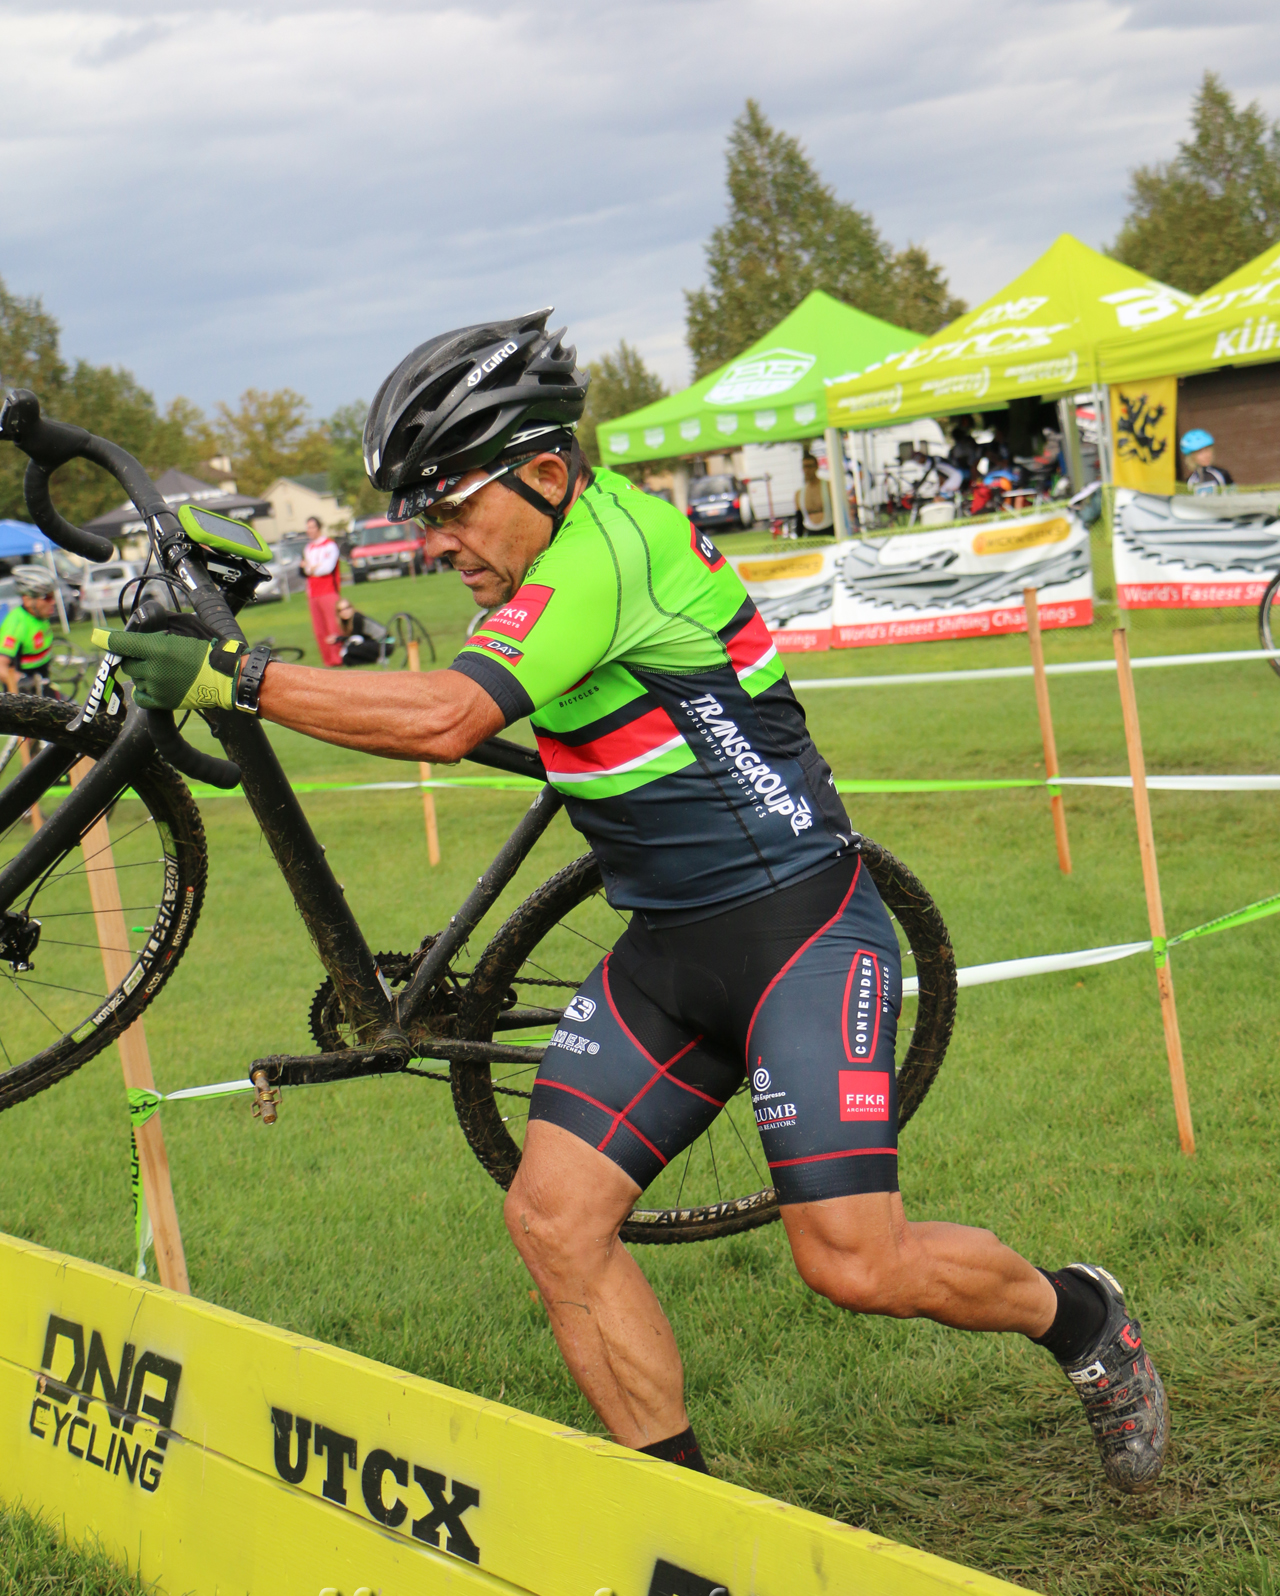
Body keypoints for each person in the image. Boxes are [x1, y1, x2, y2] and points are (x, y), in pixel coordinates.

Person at [97, 308, 1168, 1494]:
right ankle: (690, 1521)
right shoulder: (557, 563)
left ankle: (1076, 1318)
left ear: (546, 472)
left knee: (853, 1264)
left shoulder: (604, 554)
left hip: (799, 939)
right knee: (553, 1224)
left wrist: (231, 673)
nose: (440, 541)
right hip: (665, 955)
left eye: (453, 507)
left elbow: (445, 719)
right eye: (423, 517)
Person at [0, 564, 58, 693]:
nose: (53, 602)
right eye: (47, 598)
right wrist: (22, 681)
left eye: (53, 596)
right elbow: (1, 666)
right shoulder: (16, 624)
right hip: (24, 697)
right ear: (27, 600)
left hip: (43, 687)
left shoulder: (40, 617)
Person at [301, 516, 343, 666]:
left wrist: (312, 568)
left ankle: (339, 657)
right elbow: (306, 569)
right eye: (308, 527)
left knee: (333, 625)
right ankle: (328, 660)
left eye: (312, 527)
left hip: (328, 590)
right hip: (313, 592)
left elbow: (327, 568)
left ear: (318, 528)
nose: (309, 530)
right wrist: (312, 568)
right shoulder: (308, 548)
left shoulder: (329, 545)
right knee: (319, 629)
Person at [335, 596, 390, 667]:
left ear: (352, 607)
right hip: (371, 644)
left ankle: (380, 658)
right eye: (341, 610)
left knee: (352, 648)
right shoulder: (346, 622)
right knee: (347, 658)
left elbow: (356, 638)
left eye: (347, 608)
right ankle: (375, 660)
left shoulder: (357, 617)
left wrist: (338, 639)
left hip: (385, 643)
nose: (345, 611)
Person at [1180, 428, 1233, 495]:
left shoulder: (1221, 474)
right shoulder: (1190, 481)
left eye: (1207, 450)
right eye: (1200, 452)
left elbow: (1233, 497)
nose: (1206, 455)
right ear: (1191, 457)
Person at [793, 454, 833, 536]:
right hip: (811, 533)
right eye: (805, 467)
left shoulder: (829, 487)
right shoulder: (799, 494)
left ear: (816, 467)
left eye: (810, 466)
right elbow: (799, 520)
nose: (807, 470)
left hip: (830, 530)